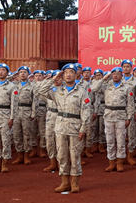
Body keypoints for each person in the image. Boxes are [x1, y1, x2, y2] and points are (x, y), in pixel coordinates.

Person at [36, 64, 94, 193]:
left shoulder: (81, 91)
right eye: (66, 72)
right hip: (60, 126)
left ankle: (75, 182)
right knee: (62, 155)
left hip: (75, 126)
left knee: (74, 155)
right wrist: (53, 78)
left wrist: (83, 129)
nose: (68, 74)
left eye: (71, 72)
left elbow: (86, 111)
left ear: (75, 75)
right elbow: (40, 91)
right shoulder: (57, 91)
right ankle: (64, 182)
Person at [92, 66, 136, 172]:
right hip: (108, 116)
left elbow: (130, 104)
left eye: (118, 74)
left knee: (120, 140)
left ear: (121, 75)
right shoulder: (106, 86)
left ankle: (120, 162)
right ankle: (111, 162)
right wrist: (103, 78)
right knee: (110, 140)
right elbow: (94, 88)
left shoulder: (127, 87)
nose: (115, 75)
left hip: (121, 116)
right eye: (113, 74)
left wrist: (129, 118)